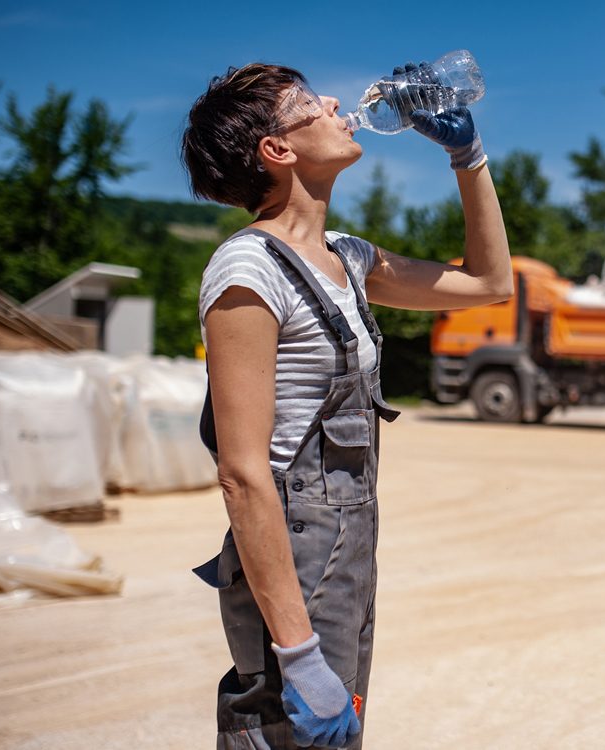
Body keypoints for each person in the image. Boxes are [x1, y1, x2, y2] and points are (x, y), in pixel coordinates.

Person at [181, 61, 511, 749]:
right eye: (307, 101)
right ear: (276, 150)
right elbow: (243, 475)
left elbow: (489, 282)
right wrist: (297, 657)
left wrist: (467, 156)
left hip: (349, 550)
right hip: (295, 560)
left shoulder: (348, 259)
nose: (335, 100)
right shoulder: (247, 271)